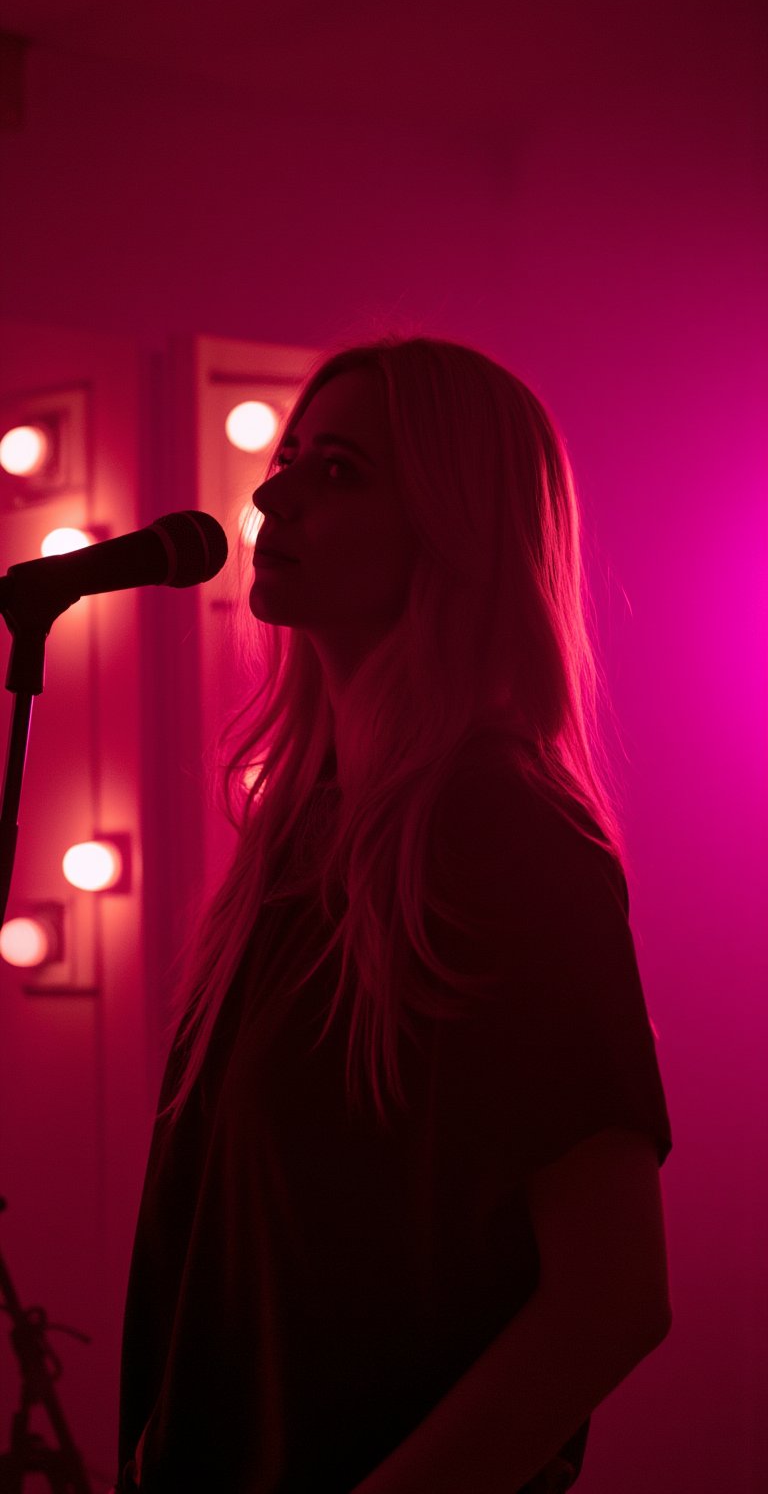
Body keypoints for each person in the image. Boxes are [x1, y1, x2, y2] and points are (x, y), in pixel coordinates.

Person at [116, 336, 673, 1493]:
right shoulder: (298, 846)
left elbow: (611, 1296)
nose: (273, 491)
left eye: (341, 473)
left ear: (456, 528)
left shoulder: (507, 841)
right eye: (291, 459)